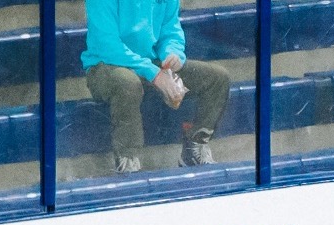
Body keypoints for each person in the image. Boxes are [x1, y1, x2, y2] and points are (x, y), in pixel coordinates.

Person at [82, 0, 234, 173]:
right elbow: (107, 45)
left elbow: (170, 31)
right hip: (105, 66)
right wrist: (155, 74)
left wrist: (172, 54)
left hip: (150, 64)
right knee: (127, 83)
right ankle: (127, 160)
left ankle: (195, 148)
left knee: (217, 78)